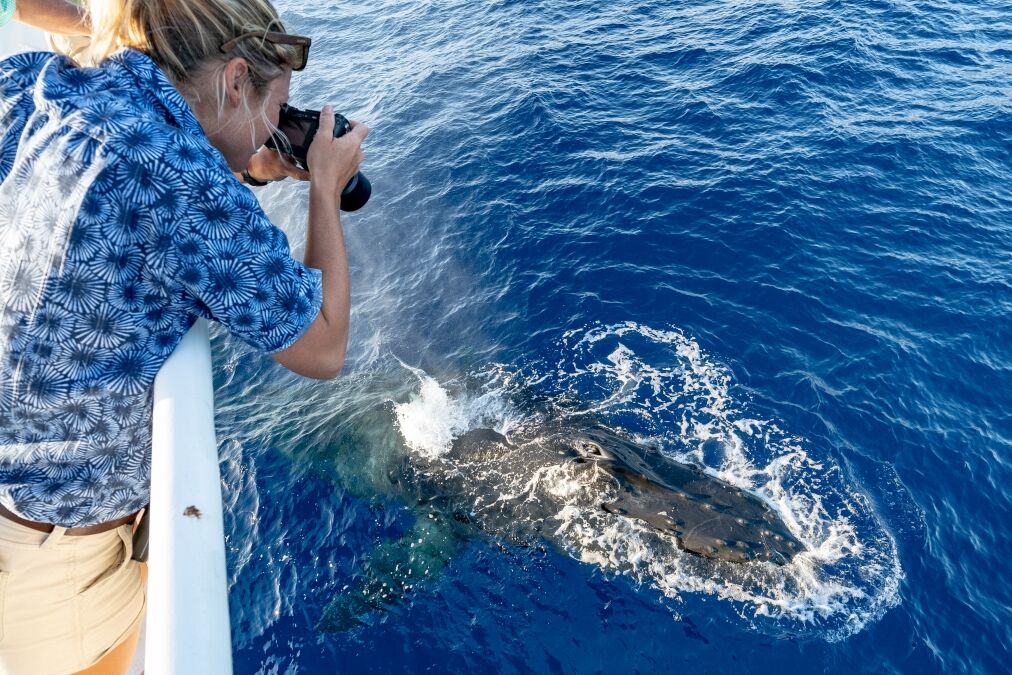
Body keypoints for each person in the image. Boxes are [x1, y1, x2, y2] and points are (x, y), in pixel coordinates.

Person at [0, 0, 367, 672]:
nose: (270, 128)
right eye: (273, 104)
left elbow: (142, 171)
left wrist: (245, 161)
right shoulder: (185, 184)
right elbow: (323, 345)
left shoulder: (41, 80)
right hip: (45, 568)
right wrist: (322, 183)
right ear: (234, 81)